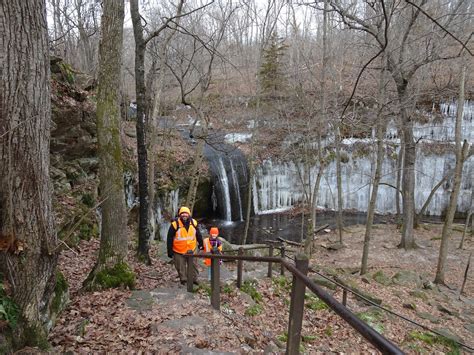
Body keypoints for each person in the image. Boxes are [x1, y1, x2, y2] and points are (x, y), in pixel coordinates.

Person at [167, 206, 204, 285]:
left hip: (192, 248)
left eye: (186, 213)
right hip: (178, 250)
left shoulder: (194, 223)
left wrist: (201, 244)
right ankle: (183, 279)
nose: (184, 215)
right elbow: (169, 238)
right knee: (180, 266)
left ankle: (194, 279)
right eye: (182, 213)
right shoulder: (175, 224)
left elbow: (198, 234)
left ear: (189, 214)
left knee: (193, 265)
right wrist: (169, 251)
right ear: (180, 215)